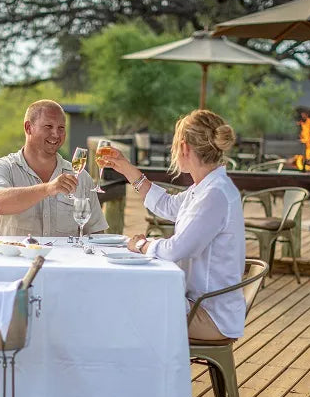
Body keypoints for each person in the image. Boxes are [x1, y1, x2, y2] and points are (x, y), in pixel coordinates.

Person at [98, 109, 245, 341]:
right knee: (126, 301)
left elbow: (177, 249)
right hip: (197, 303)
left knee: (126, 312)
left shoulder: (214, 194)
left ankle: (149, 375)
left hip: (210, 314)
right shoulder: (206, 187)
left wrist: (143, 245)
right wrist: (126, 168)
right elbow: (167, 205)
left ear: (184, 148)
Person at [0, 99, 108, 237]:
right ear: (28, 128)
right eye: (48, 126)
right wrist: (48, 188)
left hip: (65, 259)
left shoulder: (81, 177)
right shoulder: (2, 168)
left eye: (61, 128)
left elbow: (97, 233)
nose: (56, 134)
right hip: (13, 257)